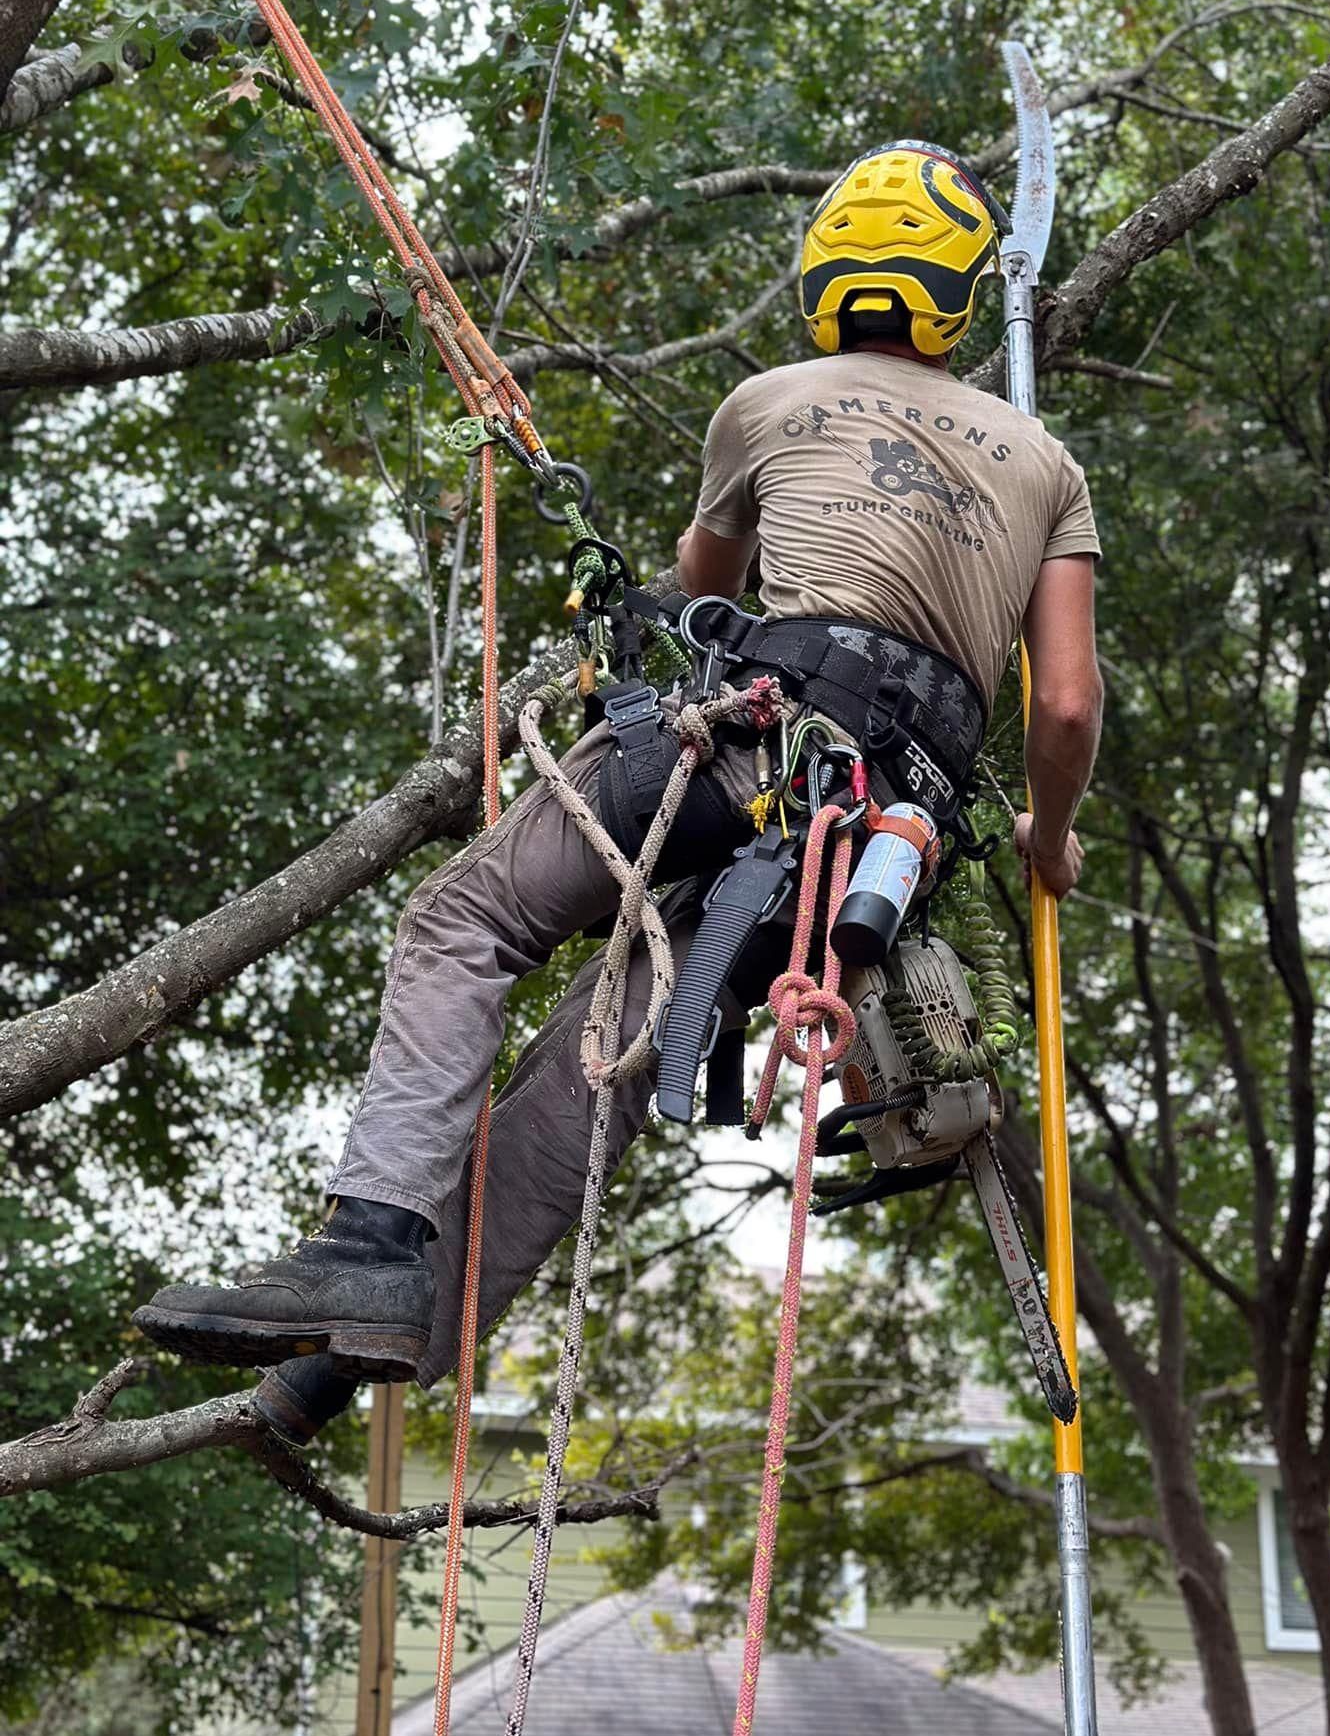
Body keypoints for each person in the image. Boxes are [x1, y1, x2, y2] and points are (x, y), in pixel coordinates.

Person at [134, 140, 1103, 1442]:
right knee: (601, 1070)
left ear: (826, 277)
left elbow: (698, 595)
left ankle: (369, 1253)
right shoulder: (1043, 462)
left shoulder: (767, 405)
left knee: (465, 922)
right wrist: (1048, 836)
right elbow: (1063, 704)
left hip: (739, 744)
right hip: (873, 835)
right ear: (956, 294)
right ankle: (370, 1355)